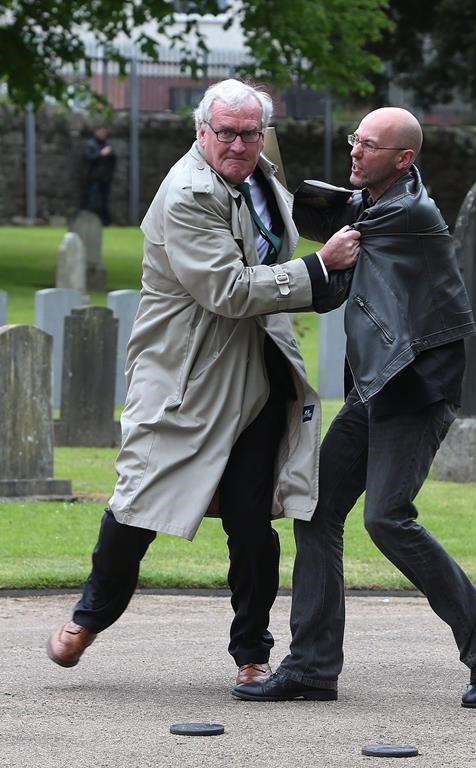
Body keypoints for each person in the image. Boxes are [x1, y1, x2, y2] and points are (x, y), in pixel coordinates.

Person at [46, 79, 359, 689]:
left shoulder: (262, 171)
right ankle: (88, 619)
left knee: (251, 523)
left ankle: (251, 654)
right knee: (137, 503)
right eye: (226, 133)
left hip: (260, 371)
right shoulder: (188, 193)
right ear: (201, 131)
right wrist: (321, 268)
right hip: (185, 375)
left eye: (250, 132)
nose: (239, 145)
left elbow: (280, 233)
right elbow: (229, 289)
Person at [233, 107, 476, 708]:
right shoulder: (381, 199)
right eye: (354, 140)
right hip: (378, 386)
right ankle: (312, 667)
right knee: (316, 510)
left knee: (387, 519)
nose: (356, 152)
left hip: (415, 391)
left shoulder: (402, 214)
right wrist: (255, 154)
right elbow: (320, 219)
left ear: (404, 158)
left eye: (369, 145)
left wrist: (259, 167)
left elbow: (323, 239)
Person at [83, 125, 117, 225]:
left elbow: (114, 160)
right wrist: (101, 154)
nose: (103, 134)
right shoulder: (91, 144)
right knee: (92, 201)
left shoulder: (107, 144)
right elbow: (88, 158)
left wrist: (110, 154)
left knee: (105, 202)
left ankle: (106, 222)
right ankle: (89, 222)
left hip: (106, 178)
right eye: (101, 132)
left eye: (104, 132)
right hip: (94, 177)